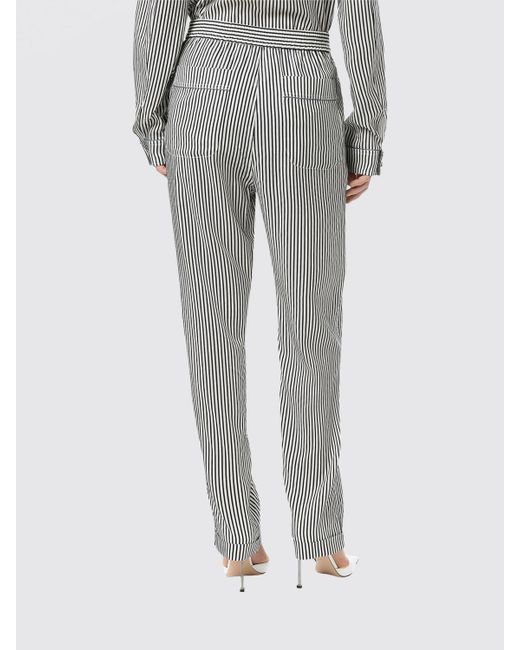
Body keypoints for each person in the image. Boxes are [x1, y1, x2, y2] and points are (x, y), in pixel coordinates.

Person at [132, 0, 387, 591]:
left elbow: (159, 9)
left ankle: (237, 541)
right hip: (301, 95)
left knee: (210, 323)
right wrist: (366, 135)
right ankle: (322, 537)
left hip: (204, 92)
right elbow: (360, 17)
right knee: (311, 321)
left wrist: (152, 116)